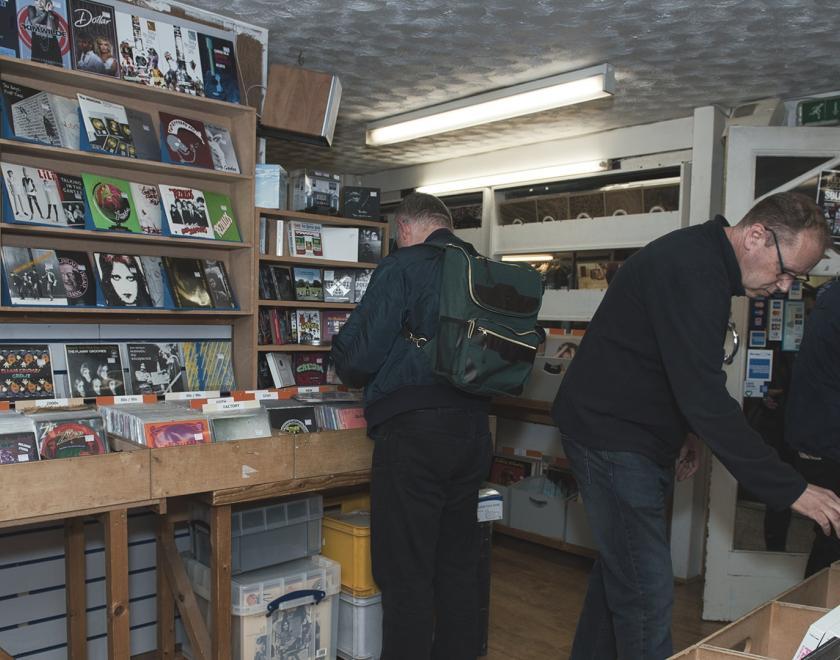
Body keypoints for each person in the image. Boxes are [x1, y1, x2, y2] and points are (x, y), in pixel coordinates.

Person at [553, 191, 840, 659]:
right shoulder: (693, 268)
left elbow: (677, 367)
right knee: (645, 593)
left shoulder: (707, 264)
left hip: (631, 434)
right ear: (756, 236)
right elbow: (705, 396)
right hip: (611, 436)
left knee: (621, 577)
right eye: (787, 271)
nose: (787, 286)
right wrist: (792, 488)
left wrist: (687, 432)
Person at [331, 192, 493, 660]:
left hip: (416, 435)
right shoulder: (482, 268)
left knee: (405, 571)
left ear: (404, 230)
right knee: (458, 567)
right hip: (474, 430)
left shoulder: (403, 266)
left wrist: (339, 357)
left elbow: (360, 358)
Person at [785, 279, 840, 576]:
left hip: (818, 439)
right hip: (828, 442)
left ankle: (811, 616)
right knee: (833, 547)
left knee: (830, 542)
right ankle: (813, 618)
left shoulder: (831, 295)